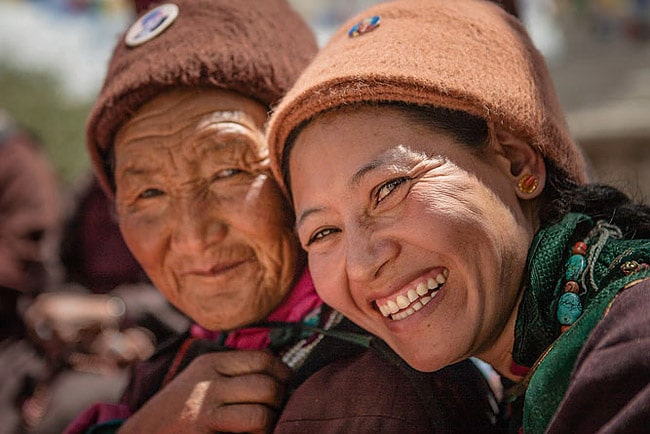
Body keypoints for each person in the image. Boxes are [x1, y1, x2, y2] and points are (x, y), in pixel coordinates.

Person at [65, 0, 501, 433]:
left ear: (306, 173)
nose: (194, 237)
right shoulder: (175, 367)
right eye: (149, 192)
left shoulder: (377, 397)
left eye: (229, 172)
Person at [266, 0, 650, 433]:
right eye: (323, 232)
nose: (361, 263)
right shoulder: (527, 379)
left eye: (389, 189)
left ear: (517, 162)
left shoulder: (633, 344)